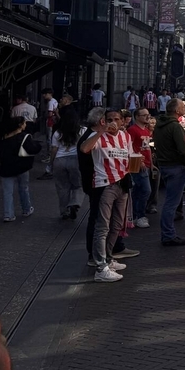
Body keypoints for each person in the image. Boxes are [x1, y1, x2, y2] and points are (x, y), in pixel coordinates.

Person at [78, 108, 133, 282]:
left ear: (122, 121)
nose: (113, 122)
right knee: (102, 226)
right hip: (104, 184)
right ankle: (100, 266)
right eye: (110, 119)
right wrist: (101, 132)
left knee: (116, 224)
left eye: (117, 119)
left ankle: (108, 258)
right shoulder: (98, 137)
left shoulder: (125, 136)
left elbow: (130, 157)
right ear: (103, 121)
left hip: (122, 183)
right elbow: (84, 149)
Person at [154, 98, 185, 247]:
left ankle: (167, 233)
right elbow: (182, 150)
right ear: (176, 111)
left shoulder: (159, 125)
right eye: (182, 106)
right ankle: (168, 234)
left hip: (164, 164)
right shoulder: (175, 127)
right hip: (176, 166)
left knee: (169, 201)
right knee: (171, 203)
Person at [0, 117, 40, 221]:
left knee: (7, 192)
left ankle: (8, 214)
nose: (25, 124)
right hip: (22, 167)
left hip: (6, 167)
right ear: (20, 125)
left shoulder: (4, 137)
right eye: (24, 123)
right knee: (23, 188)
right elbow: (33, 149)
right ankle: (26, 209)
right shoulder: (24, 137)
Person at [50, 109, 85, 220]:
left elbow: (54, 149)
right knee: (79, 184)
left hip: (59, 160)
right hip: (76, 160)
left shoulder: (58, 132)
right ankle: (75, 202)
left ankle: (64, 211)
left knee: (62, 187)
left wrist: (51, 163)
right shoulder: (82, 130)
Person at [127, 108, 154, 228]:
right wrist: (137, 160)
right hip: (138, 164)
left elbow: (147, 148)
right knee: (145, 190)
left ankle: (133, 215)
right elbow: (128, 147)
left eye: (148, 115)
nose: (147, 117)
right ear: (137, 117)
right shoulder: (132, 130)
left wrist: (151, 163)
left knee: (138, 190)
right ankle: (140, 215)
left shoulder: (146, 131)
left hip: (146, 163)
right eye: (144, 115)